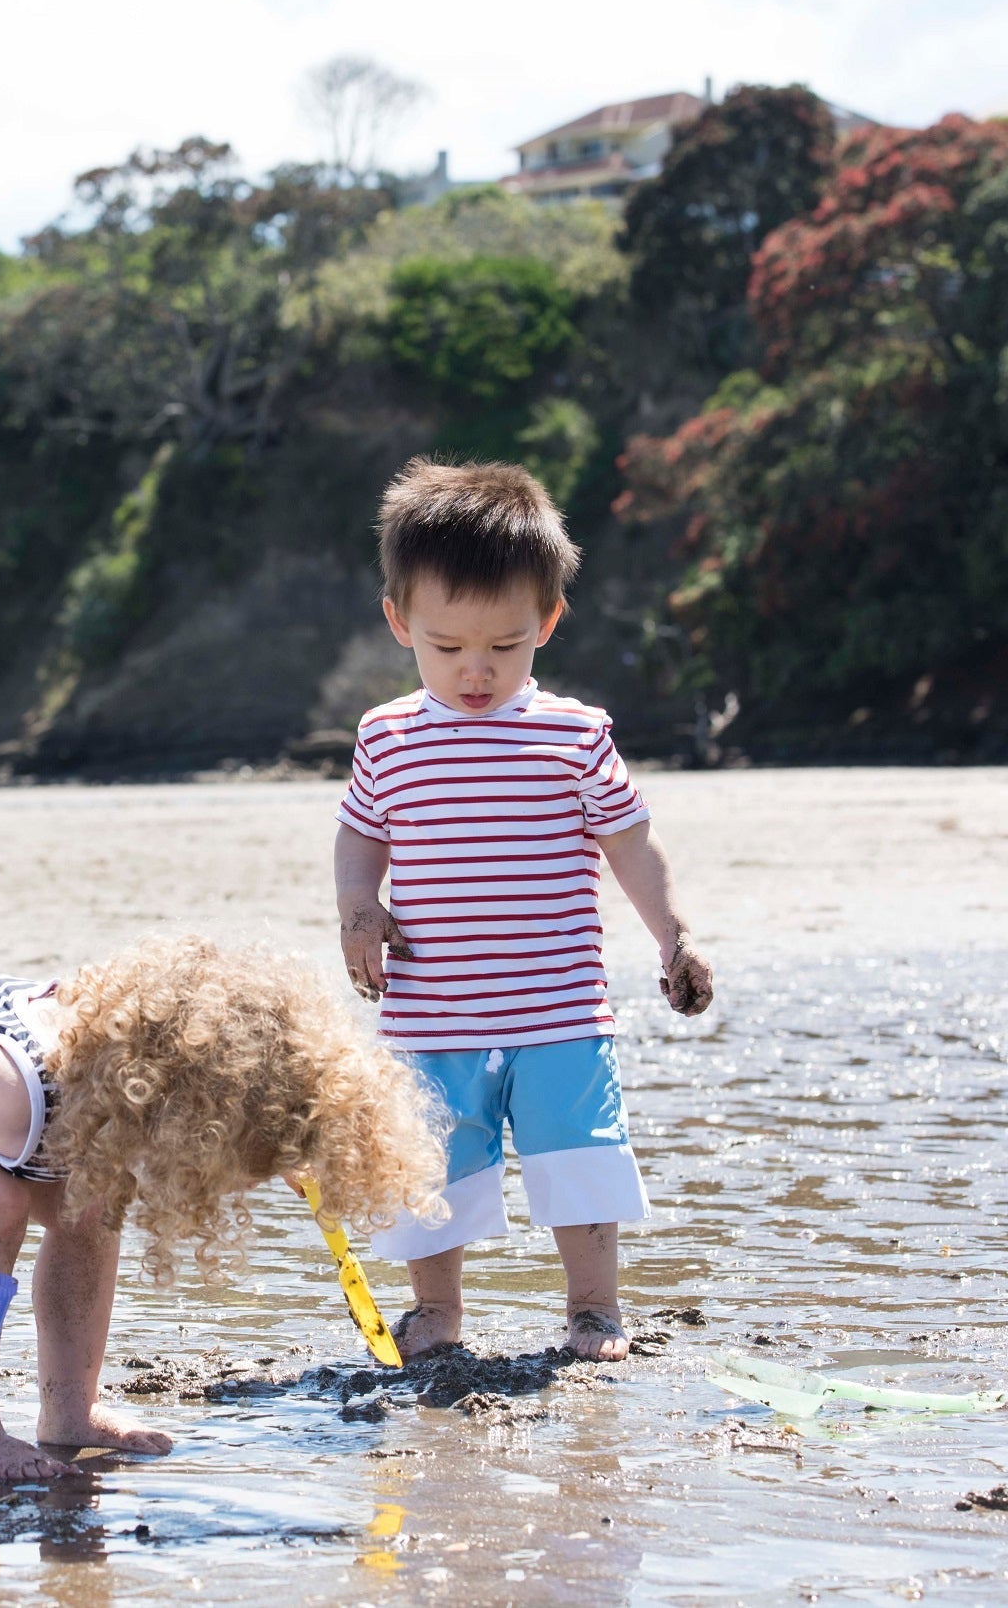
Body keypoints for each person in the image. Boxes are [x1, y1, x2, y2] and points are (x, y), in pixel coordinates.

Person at [0, 935, 447, 1482]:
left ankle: (70, 1414)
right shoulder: (16, 1093)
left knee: (94, 1209)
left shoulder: (121, 1103)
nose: (226, 1190)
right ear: (178, 1120)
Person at [333, 458, 715, 1362]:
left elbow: (628, 842)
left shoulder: (575, 734)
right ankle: (439, 1312)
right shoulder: (387, 737)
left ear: (546, 620)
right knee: (432, 1169)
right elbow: (360, 838)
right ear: (399, 623)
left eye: (504, 648)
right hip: (433, 1011)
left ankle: (593, 1309)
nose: (476, 671)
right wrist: (358, 908)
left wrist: (674, 937)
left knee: (579, 1164)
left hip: (557, 1011)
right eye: (448, 647)